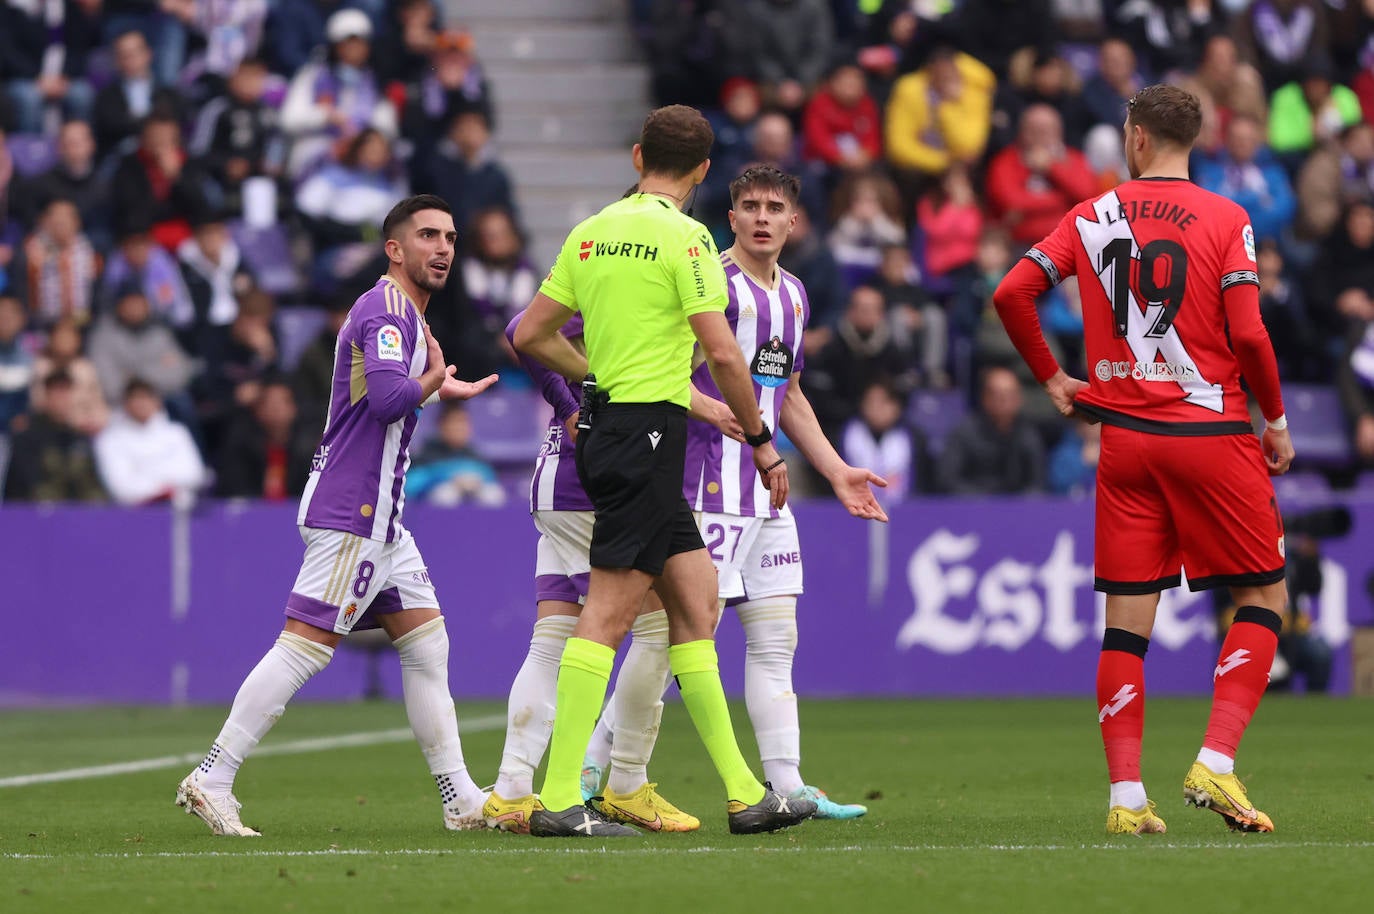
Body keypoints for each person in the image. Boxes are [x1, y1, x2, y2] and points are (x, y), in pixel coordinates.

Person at [993, 84, 1294, 836]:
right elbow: (1251, 337)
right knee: (1265, 601)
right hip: (1209, 435)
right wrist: (1278, 421)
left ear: (1134, 139)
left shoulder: (1090, 214)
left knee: (1126, 626)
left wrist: (1055, 379)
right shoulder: (1228, 217)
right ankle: (1216, 763)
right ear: (1198, 138)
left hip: (1123, 443)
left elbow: (1012, 291)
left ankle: (1126, 798)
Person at [512, 105, 815, 837]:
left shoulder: (592, 232)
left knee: (696, 601)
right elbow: (721, 354)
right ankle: (558, 798)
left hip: (622, 429)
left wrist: (595, 379)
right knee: (612, 613)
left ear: (638, 154)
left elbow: (528, 334)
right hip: (649, 435)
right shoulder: (689, 241)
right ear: (705, 170)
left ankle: (747, 795)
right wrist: (760, 437)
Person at [175, 195, 498, 837]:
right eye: (428, 235)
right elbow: (383, 401)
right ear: (394, 248)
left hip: (380, 516)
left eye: (452, 237)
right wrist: (431, 382)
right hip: (356, 507)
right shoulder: (385, 310)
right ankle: (212, 776)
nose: (443, 248)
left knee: (427, 644)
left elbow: (379, 400)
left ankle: (460, 796)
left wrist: (433, 387)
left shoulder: (400, 313)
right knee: (304, 648)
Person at [580, 166, 888, 827]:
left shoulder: (796, 297)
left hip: (768, 491)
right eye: (749, 205)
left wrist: (835, 469)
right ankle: (592, 765)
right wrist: (716, 415)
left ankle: (789, 786)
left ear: (793, 222)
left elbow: (789, 393)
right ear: (733, 215)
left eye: (775, 207)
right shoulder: (710, 279)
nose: (761, 217)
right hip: (702, 486)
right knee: (670, 636)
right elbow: (664, 372)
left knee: (776, 639)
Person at [94, 378, 207, 506]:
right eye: (135, 399)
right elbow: (121, 487)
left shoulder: (176, 432)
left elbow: (194, 474)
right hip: (134, 514)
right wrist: (163, 486)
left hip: (178, 510)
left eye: (146, 398)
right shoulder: (110, 439)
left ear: (157, 401)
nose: (141, 404)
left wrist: (146, 474)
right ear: (126, 404)